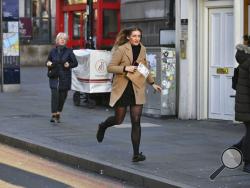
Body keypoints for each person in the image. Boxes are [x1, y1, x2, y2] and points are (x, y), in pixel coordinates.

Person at [96, 27, 162, 162]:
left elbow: (144, 68)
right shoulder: (121, 49)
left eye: (139, 36)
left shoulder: (142, 49)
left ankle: (136, 154)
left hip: (137, 87)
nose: (137, 38)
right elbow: (110, 67)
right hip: (122, 87)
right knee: (118, 120)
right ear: (128, 37)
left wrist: (153, 83)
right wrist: (125, 68)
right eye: (134, 36)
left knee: (136, 121)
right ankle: (102, 126)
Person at [46, 32, 78, 123]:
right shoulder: (53, 51)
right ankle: (53, 114)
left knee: (62, 96)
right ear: (57, 40)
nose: (62, 40)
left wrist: (69, 64)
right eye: (61, 38)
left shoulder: (69, 51)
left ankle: (59, 112)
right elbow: (47, 61)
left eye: (64, 39)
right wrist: (48, 63)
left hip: (64, 77)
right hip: (54, 77)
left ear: (66, 41)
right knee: (54, 95)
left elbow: (75, 63)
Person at [234, 43, 250, 173]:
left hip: (243, 104)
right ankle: (247, 163)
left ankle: (238, 147)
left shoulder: (241, 64)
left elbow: (235, 85)